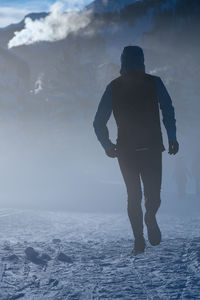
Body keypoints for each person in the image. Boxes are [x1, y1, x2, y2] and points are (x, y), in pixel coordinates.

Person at [93, 46, 179, 255]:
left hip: (125, 151)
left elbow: (98, 122)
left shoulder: (113, 87)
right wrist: (172, 137)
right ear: (142, 60)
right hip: (152, 148)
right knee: (153, 195)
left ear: (123, 62)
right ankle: (150, 216)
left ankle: (138, 239)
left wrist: (107, 146)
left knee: (133, 196)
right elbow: (168, 109)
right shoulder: (154, 82)